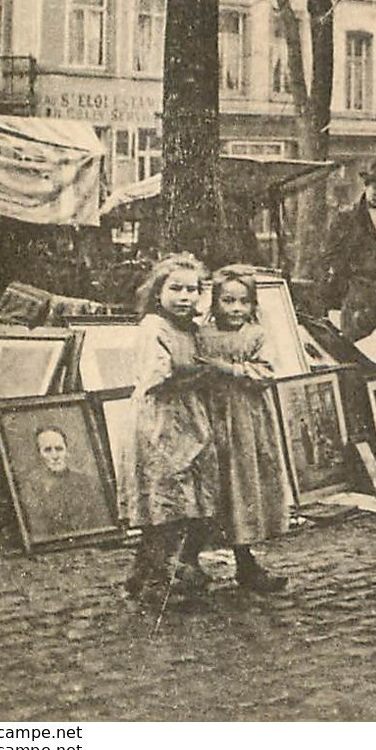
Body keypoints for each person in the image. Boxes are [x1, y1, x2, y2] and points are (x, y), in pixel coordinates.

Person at [124, 253, 219, 607]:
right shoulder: (154, 327)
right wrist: (204, 372)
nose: (185, 297)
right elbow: (157, 378)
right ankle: (154, 579)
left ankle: (160, 569)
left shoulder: (191, 329)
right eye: (175, 288)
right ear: (157, 291)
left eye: (192, 290)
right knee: (162, 503)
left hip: (189, 418)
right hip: (161, 420)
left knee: (192, 500)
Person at [193, 266, 288, 592]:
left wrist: (229, 369)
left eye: (243, 302)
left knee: (242, 486)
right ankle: (189, 563)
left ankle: (246, 561)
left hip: (246, 421)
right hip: (209, 418)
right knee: (209, 486)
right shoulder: (201, 336)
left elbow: (267, 373)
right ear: (214, 302)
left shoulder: (256, 335)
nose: (235, 309)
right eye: (227, 300)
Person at [323, 162, 376, 341]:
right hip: (359, 289)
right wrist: (345, 282)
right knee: (356, 342)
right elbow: (332, 254)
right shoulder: (348, 216)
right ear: (366, 185)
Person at [22, 427, 111, 537]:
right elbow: (39, 531)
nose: (55, 456)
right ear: (39, 454)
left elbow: (102, 524)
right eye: (48, 450)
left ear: (66, 450)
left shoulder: (86, 482)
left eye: (59, 449)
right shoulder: (32, 487)